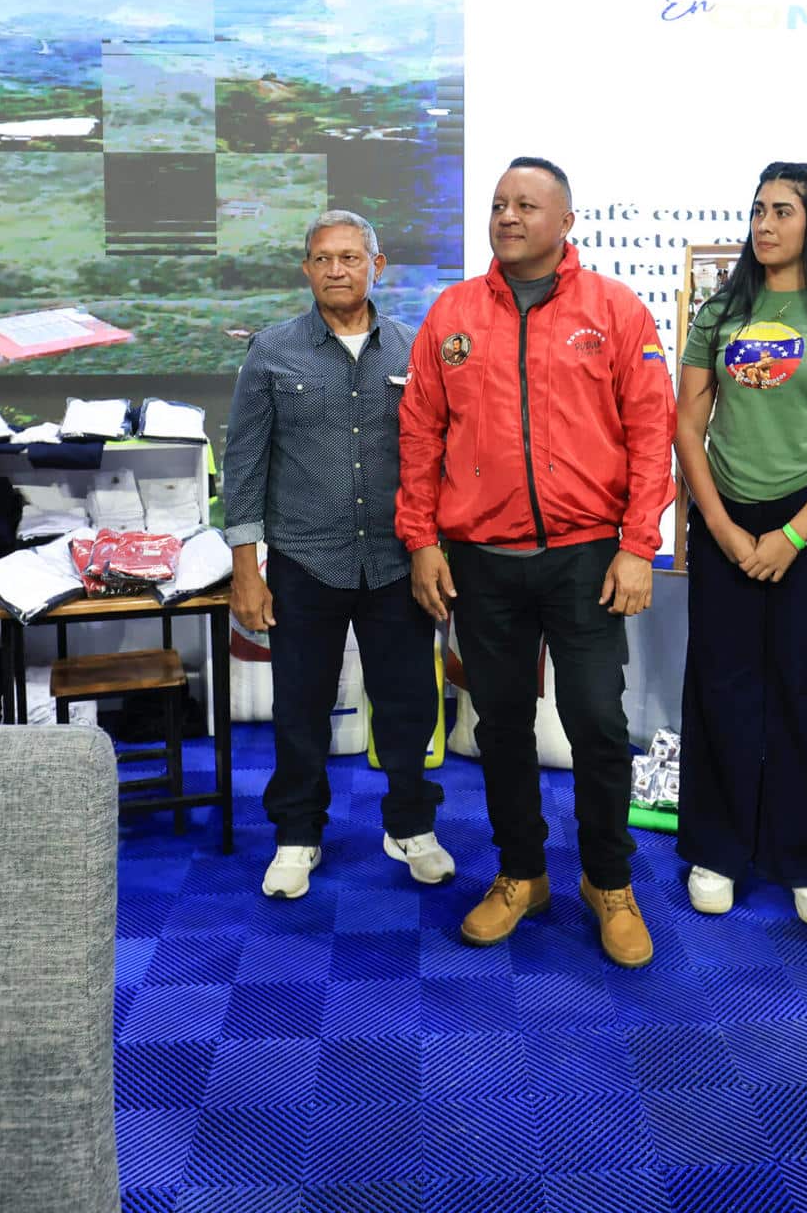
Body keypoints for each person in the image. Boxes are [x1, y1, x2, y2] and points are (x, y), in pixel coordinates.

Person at [396, 157, 675, 967]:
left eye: (526, 204)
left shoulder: (614, 310)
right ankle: (521, 874)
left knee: (596, 723)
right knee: (502, 727)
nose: (507, 216)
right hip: (481, 561)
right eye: (497, 204)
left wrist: (636, 546)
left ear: (566, 223)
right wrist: (420, 539)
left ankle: (607, 882)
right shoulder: (451, 314)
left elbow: (650, 432)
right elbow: (418, 434)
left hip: (587, 558)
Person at [673, 162, 807, 927]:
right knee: (722, 684)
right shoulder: (720, 310)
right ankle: (717, 847)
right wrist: (726, 530)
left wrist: (795, 534)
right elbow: (687, 429)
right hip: (726, 512)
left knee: (806, 688)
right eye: (758, 210)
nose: (764, 225)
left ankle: (805, 856)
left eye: (782, 212)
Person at [224, 210, 450, 899]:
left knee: (407, 703)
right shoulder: (271, 351)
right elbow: (244, 462)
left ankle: (411, 824)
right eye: (323, 259)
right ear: (307, 270)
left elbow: (437, 458)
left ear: (377, 266)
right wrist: (245, 568)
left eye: (351, 257)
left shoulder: (414, 352)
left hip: (394, 562)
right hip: (304, 561)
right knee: (301, 705)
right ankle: (297, 835)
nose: (336, 270)